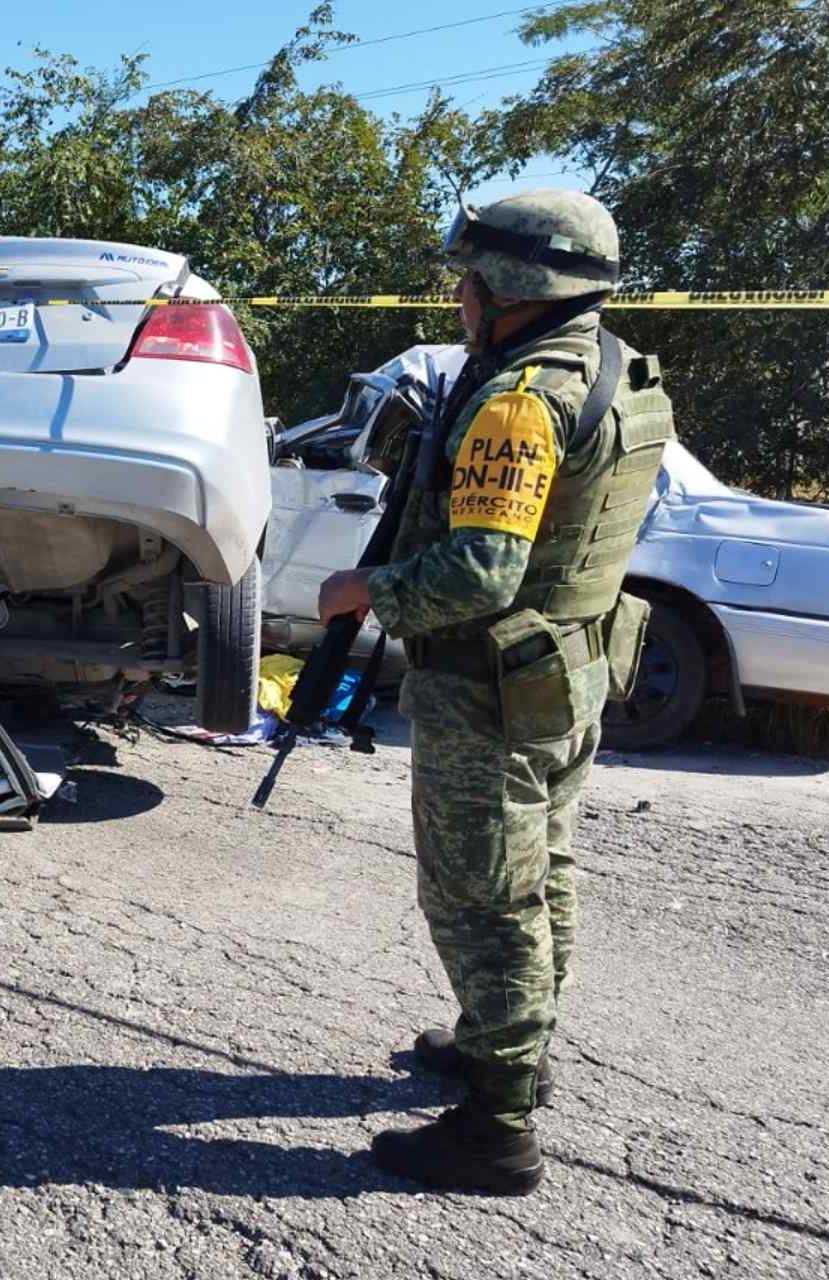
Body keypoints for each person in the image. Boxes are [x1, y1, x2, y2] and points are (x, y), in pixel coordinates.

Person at [317, 189, 674, 1194]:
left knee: (483, 892)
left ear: (515, 286)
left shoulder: (521, 400)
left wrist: (365, 588)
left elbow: (479, 572)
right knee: (540, 868)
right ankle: (506, 1043)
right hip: (570, 668)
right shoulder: (620, 367)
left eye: (471, 277)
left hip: (494, 685)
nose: (461, 296)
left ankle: (495, 1123)